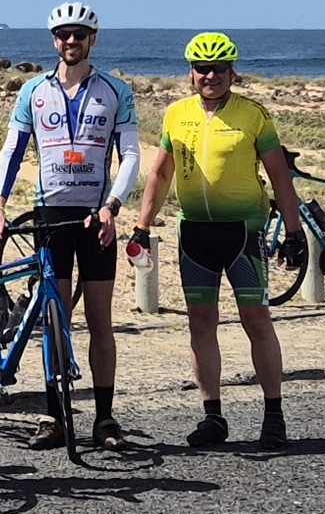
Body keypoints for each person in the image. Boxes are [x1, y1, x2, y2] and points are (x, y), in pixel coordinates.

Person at [129, 33, 306, 447]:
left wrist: (294, 231)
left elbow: (280, 176)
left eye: (220, 69)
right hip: (195, 232)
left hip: (243, 231)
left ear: (232, 72)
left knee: (256, 320)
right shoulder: (176, 114)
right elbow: (161, 173)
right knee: (200, 323)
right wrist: (142, 225)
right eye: (203, 69)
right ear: (191, 73)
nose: (211, 76)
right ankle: (212, 417)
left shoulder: (253, 115)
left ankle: (274, 415)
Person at [0, 2, 142, 449]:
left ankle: (105, 418)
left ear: (93, 38)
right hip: (50, 216)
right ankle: (54, 417)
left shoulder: (116, 91)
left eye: (79, 34)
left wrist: (112, 205)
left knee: (100, 320)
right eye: (63, 34)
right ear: (54, 40)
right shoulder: (33, 91)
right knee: (56, 319)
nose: (70, 41)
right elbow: (12, 151)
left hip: (97, 217)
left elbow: (130, 154)